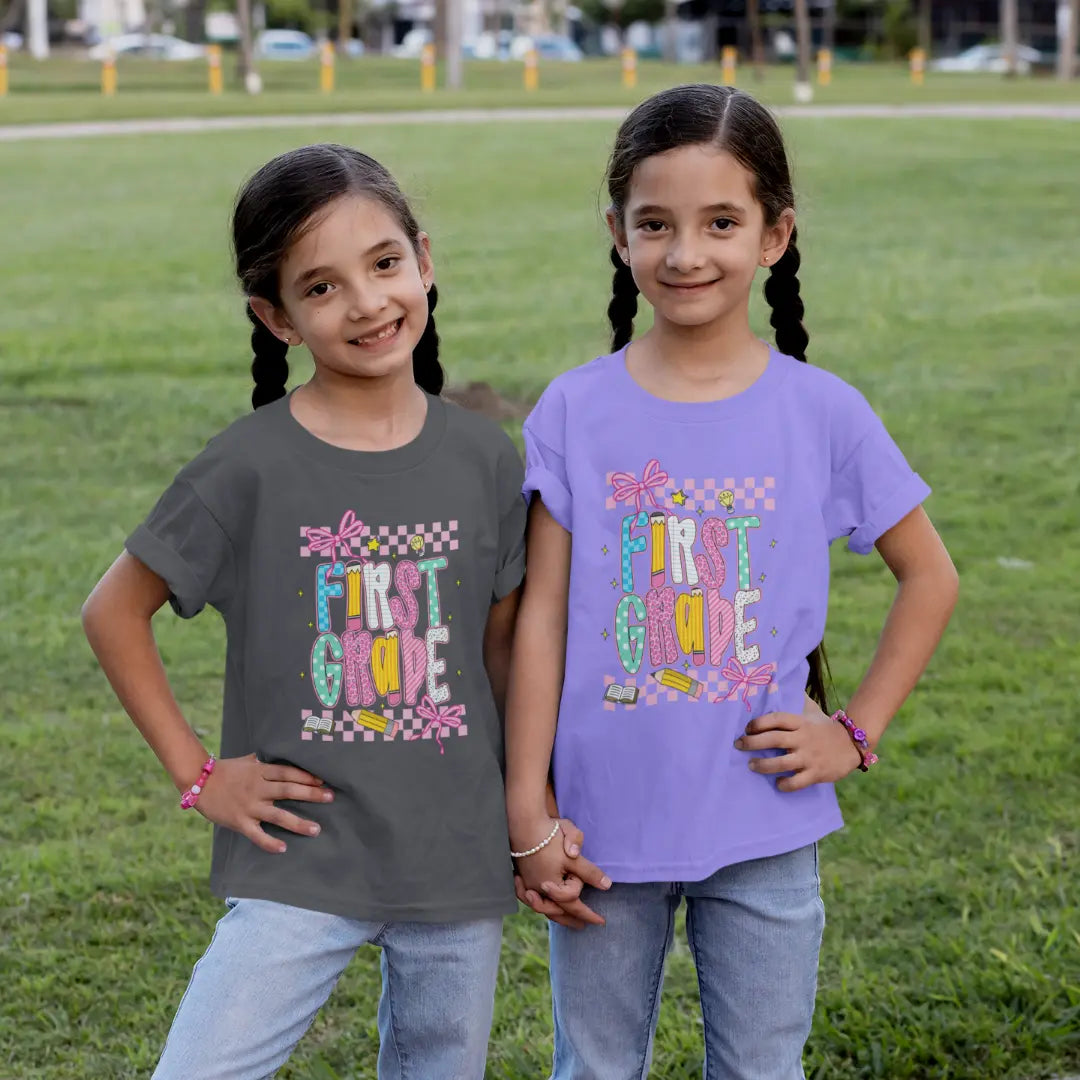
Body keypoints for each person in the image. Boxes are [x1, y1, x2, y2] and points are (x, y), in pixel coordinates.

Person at [505, 86, 959, 1080]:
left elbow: (930, 575)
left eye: (722, 223)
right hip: (598, 828)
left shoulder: (823, 413)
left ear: (775, 234)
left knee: (760, 1068)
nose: (685, 254)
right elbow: (539, 619)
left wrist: (854, 733)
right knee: (593, 1067)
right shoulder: (576, 411)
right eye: (654, 224)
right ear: (617, 234)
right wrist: (527, 809)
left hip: (763, 819)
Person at [83, 143, 532, 1080]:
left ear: (424, 260)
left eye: (384, 264)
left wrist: (536, 810)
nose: (368, 304)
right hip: (300, 862)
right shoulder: (247, 465)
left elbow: (505, 653)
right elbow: (113, 612)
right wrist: (201, 775)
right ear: (275, 316)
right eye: (321, 288)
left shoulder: (487, 460)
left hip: (454, 861)